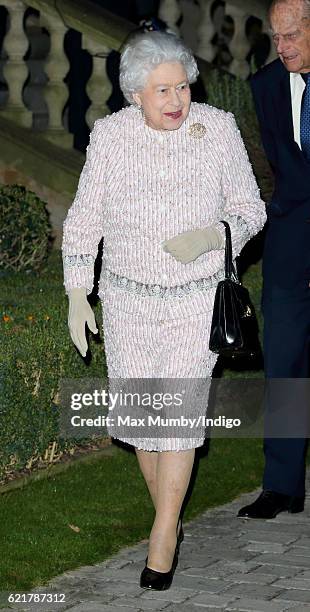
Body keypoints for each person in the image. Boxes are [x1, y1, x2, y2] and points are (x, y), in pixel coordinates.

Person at [62, 31, 266, 589]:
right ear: (133, 95)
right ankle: (169, 518)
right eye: (162, 91)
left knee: (175, 420)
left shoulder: (218, 129)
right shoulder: (109, 137)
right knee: (145, 423)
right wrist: (78, 292)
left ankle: (162, 538)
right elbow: (84, 221)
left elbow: (251, 210)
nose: (177, 100)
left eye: (182, 87)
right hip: (128, 302)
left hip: (194, 300)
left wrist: (212, 235)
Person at [238, 0, 310, 520]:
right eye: (276, 36)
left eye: (291, 36)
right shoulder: (264, 85)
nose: (281, 46)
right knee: (283, 363)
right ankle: (281, 486)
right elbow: (262, 164)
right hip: (289, 242)